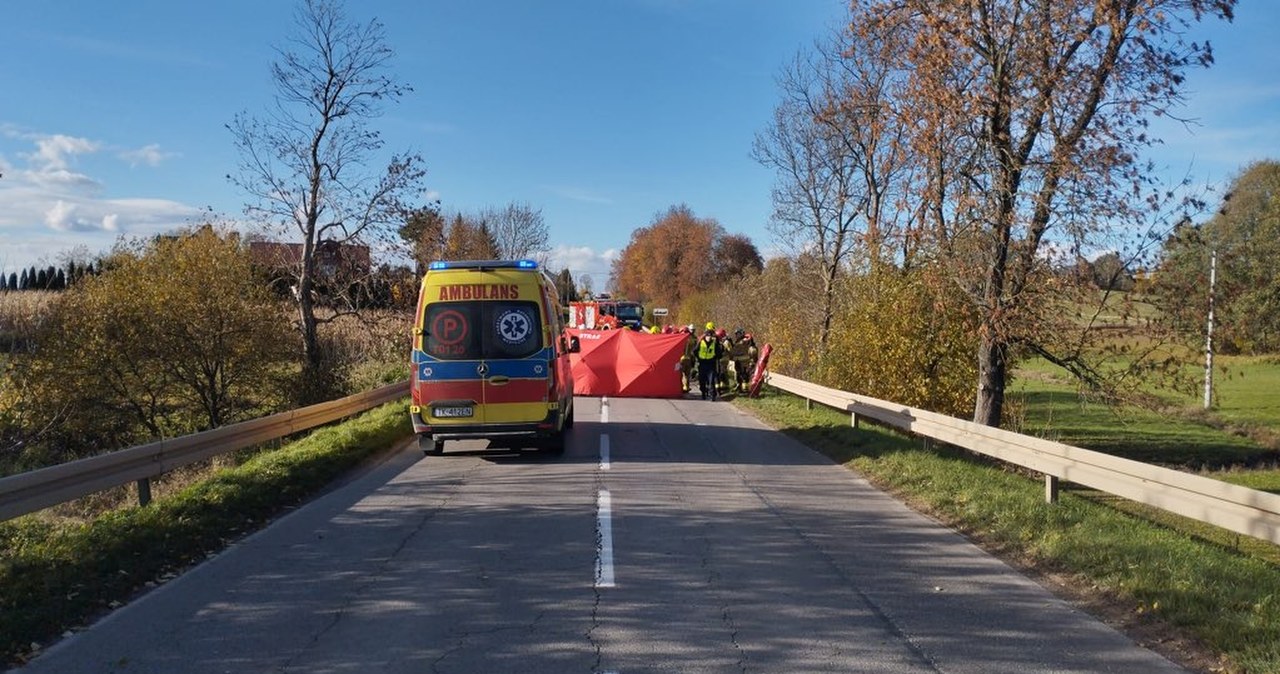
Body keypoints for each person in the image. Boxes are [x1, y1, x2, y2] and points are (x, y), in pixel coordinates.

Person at [695, 327, 724, 400]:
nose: (709, 337)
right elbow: (695, 351)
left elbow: (719, 353)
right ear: (705, 336)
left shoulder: (714, 343)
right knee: (702, 380)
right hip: (702, 363)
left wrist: (716, 357)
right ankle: (703, 393)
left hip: (711, 363)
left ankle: (712, 395)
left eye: (711, 336)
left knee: (711, 381)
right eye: (708, 336)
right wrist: (698, 358)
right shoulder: (701, 342)